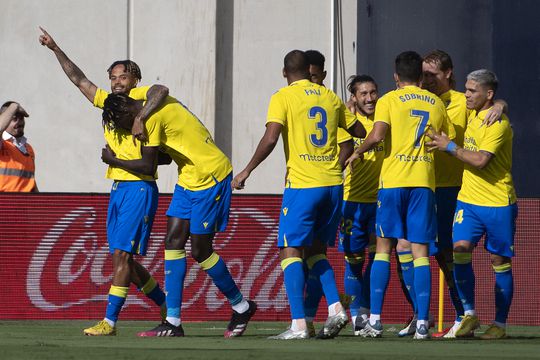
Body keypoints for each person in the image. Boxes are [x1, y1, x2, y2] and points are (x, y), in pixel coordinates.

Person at [39, 27, 169, 336]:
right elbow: (79, 79)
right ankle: (165, 303)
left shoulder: (141, 99)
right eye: (112, 78)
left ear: (135, 78)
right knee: (122, 258)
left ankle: (109, 322)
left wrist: (139, 118)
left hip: (139, 187)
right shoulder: (109, 102)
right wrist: (56, 48)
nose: (116, 82)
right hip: (118, 189)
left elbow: (161, 90)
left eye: (121, 77)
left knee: (122, 256)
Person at [232, 50, 366, 340]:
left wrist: (246, 171)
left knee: (290, 250)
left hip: (304, 185)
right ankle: (335, 308)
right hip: (333, 185)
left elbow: (271, 137)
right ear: (309, 69)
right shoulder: (329, 97)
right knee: (316, 252)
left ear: (284, 73)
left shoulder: (283, 96)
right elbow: (358, 128)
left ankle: (299, 325)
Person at [100, 92, 257, 338]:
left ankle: (241, 306)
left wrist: (114, 160)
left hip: (210, 175)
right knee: (172, 242)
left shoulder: (147, 116)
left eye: (120, 123)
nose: (125, 130)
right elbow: (163, 156)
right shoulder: (147, 111)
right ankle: (172, 321)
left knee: (200, 250)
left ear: (125, 112)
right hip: (188, 177)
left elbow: (148, 165)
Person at [397, 50, 506, 339]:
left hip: (451, 187)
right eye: (424, 74)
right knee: (405, 247)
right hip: (421, 184)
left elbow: (489, 105)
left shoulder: (463, 101)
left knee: (448, 253)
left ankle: (464, 315)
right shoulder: (417, 98)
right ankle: (422, 315)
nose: (427, 79)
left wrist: (501, 105)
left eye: (433, 74)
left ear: (448, 73)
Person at [346, 51, 454, 340]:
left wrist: (358, 150)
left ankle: (376, 319)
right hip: (423, 182)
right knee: (420, 253)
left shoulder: (389, 100)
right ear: (420, 77)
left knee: (383, 247)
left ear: (396, 77)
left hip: (393, 181)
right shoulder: (435, 103)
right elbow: (445, 137)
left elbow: (378, 134)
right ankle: (422, 322)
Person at [426, 69, 517, 340]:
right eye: (465, 89)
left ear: (488, 94)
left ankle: (499, 324)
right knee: (459, 251)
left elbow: (480, 161)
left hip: (498, 201)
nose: (466, 94)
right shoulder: (473, 113)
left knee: (498, 261)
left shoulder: (498, 124)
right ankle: (469, 314)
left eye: (472, 90)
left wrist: (449, 147)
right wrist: (501, 103)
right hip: (468, 201)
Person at [302, 49, 354, 338]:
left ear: (322, 75)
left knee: (302, 252)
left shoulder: (328, 102)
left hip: (317, 185)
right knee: (312, 254)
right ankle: (312, 317)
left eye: (313, 75)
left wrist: (327, 167)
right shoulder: (327, 101)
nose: (309, 80)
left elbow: (345, 144)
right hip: (324, 185)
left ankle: (321, 313)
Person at [337, 75, 383, 335]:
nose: (369, 98)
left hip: (380, 202)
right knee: (353, 262)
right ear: (354, 98)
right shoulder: (345, 124)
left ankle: (369, 312)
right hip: (352, 202)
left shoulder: (385, 119)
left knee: (379, 261)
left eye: (373, 92)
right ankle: (356, 315)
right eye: (363, 94)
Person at [0, 102, 38, 192]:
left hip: (24, 203)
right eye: (14, 119)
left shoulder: (28, 149)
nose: (19, 122)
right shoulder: (3, 144)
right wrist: (14, 106)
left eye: (21, 118)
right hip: (4, 203)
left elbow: (30, 182)